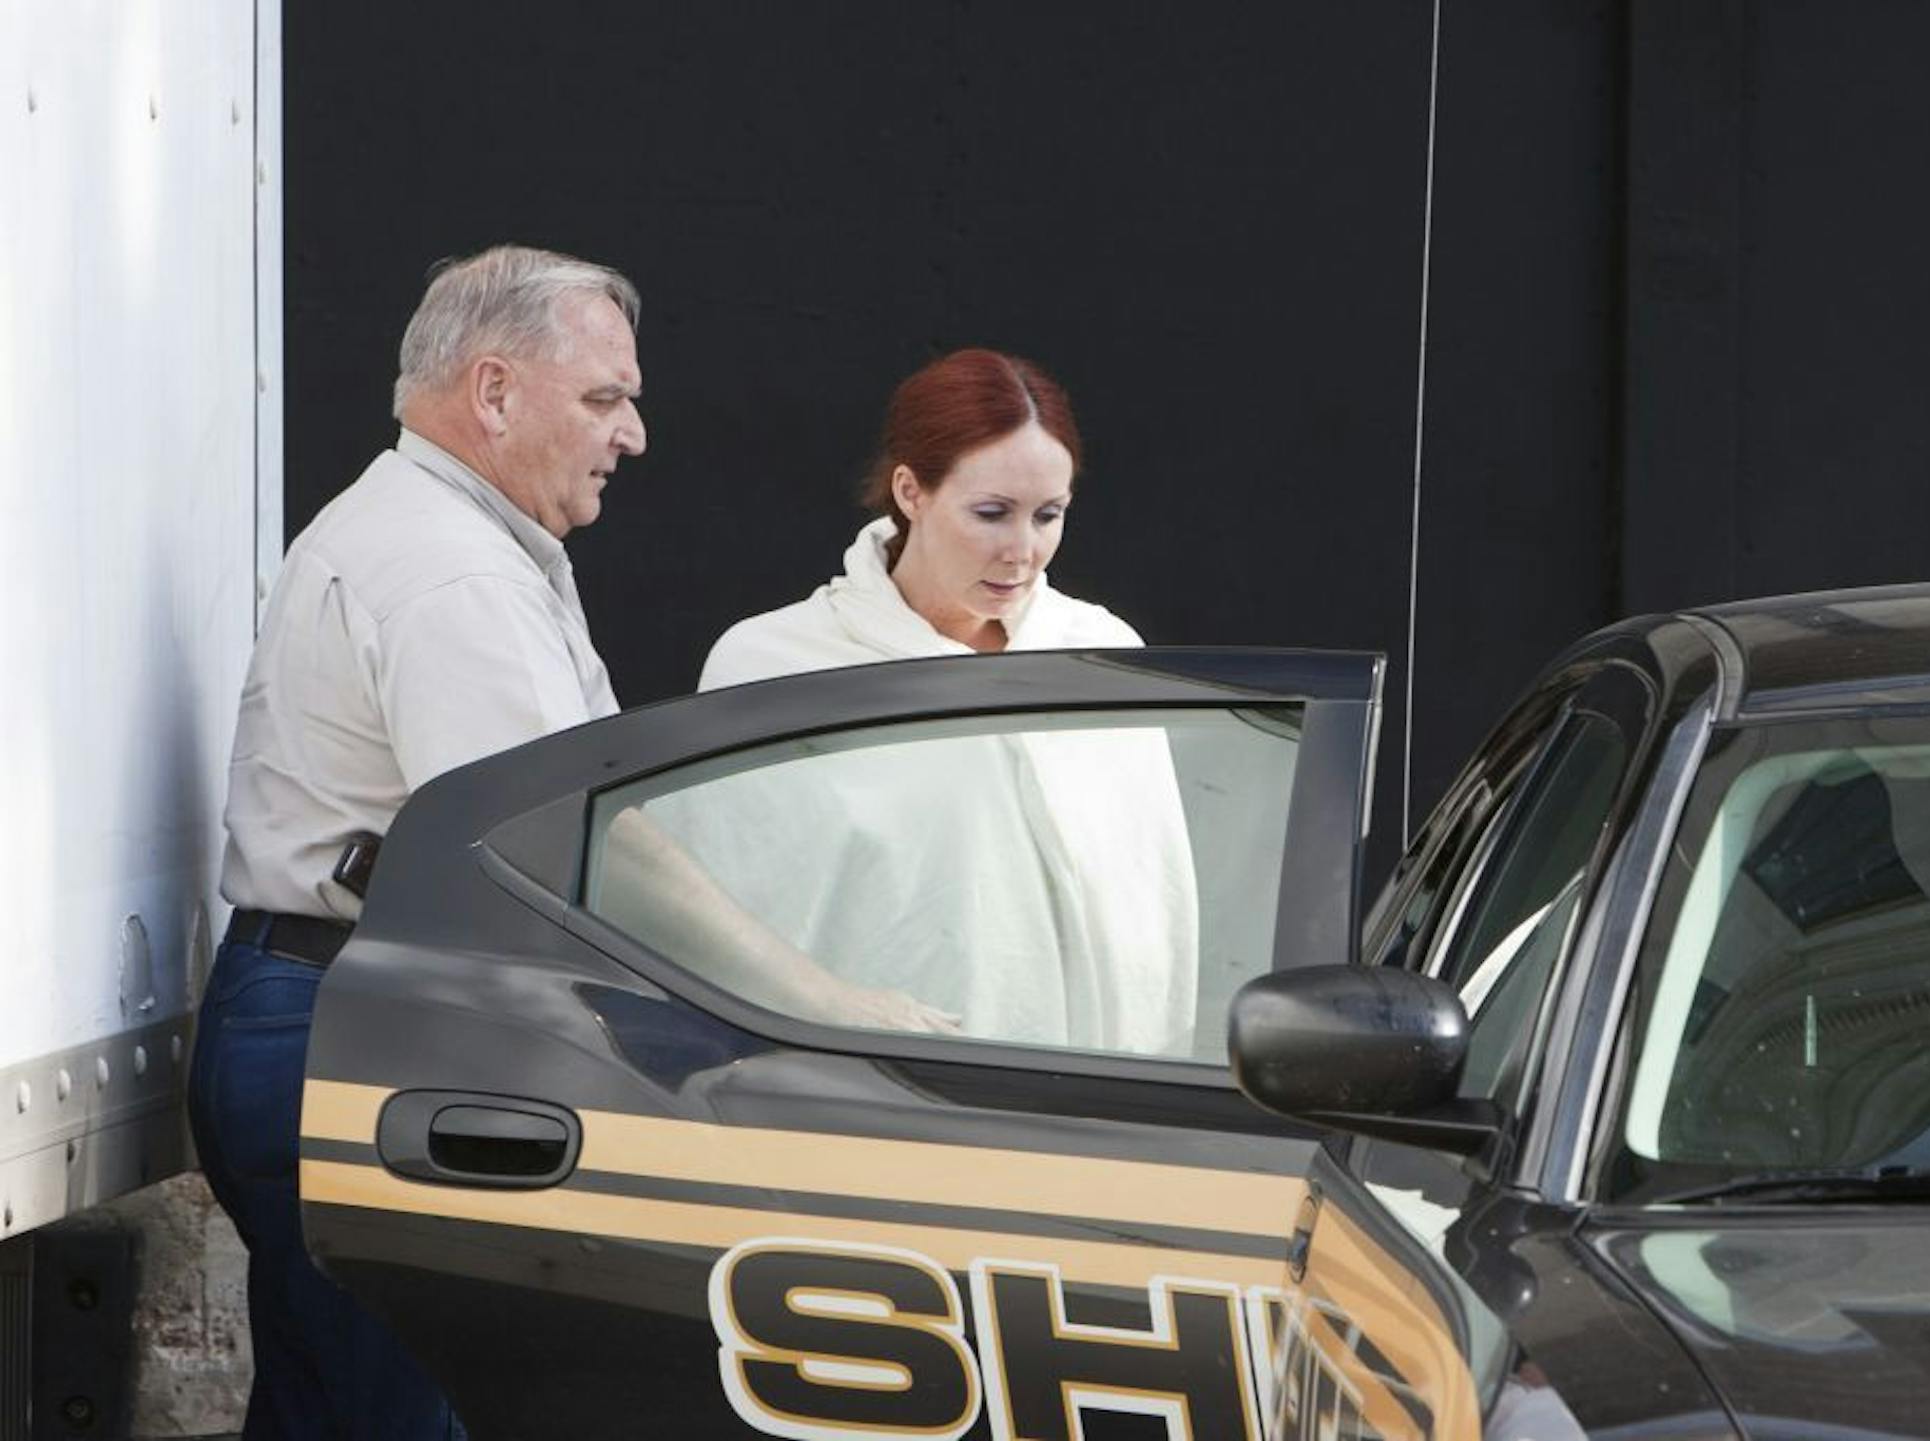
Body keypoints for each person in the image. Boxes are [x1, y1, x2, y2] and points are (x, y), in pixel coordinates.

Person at [191, 244, 644, 1439]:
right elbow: (550, 857)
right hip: (364, 1033)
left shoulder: (448, 539)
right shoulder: (452, 573)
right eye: (605, 396)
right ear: (493, 392)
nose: (632, 433)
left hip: (329, 1011)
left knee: (337, 1412)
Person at [683, 349, 1200, 1054]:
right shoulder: (776, 666)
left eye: (1048, 515)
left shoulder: (1101, 656)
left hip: (1091, 1098)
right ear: (910, 491)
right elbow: (712, 929)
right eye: (991, 513)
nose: (1022, 550)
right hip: (860, 1092)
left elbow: (1156, 916)